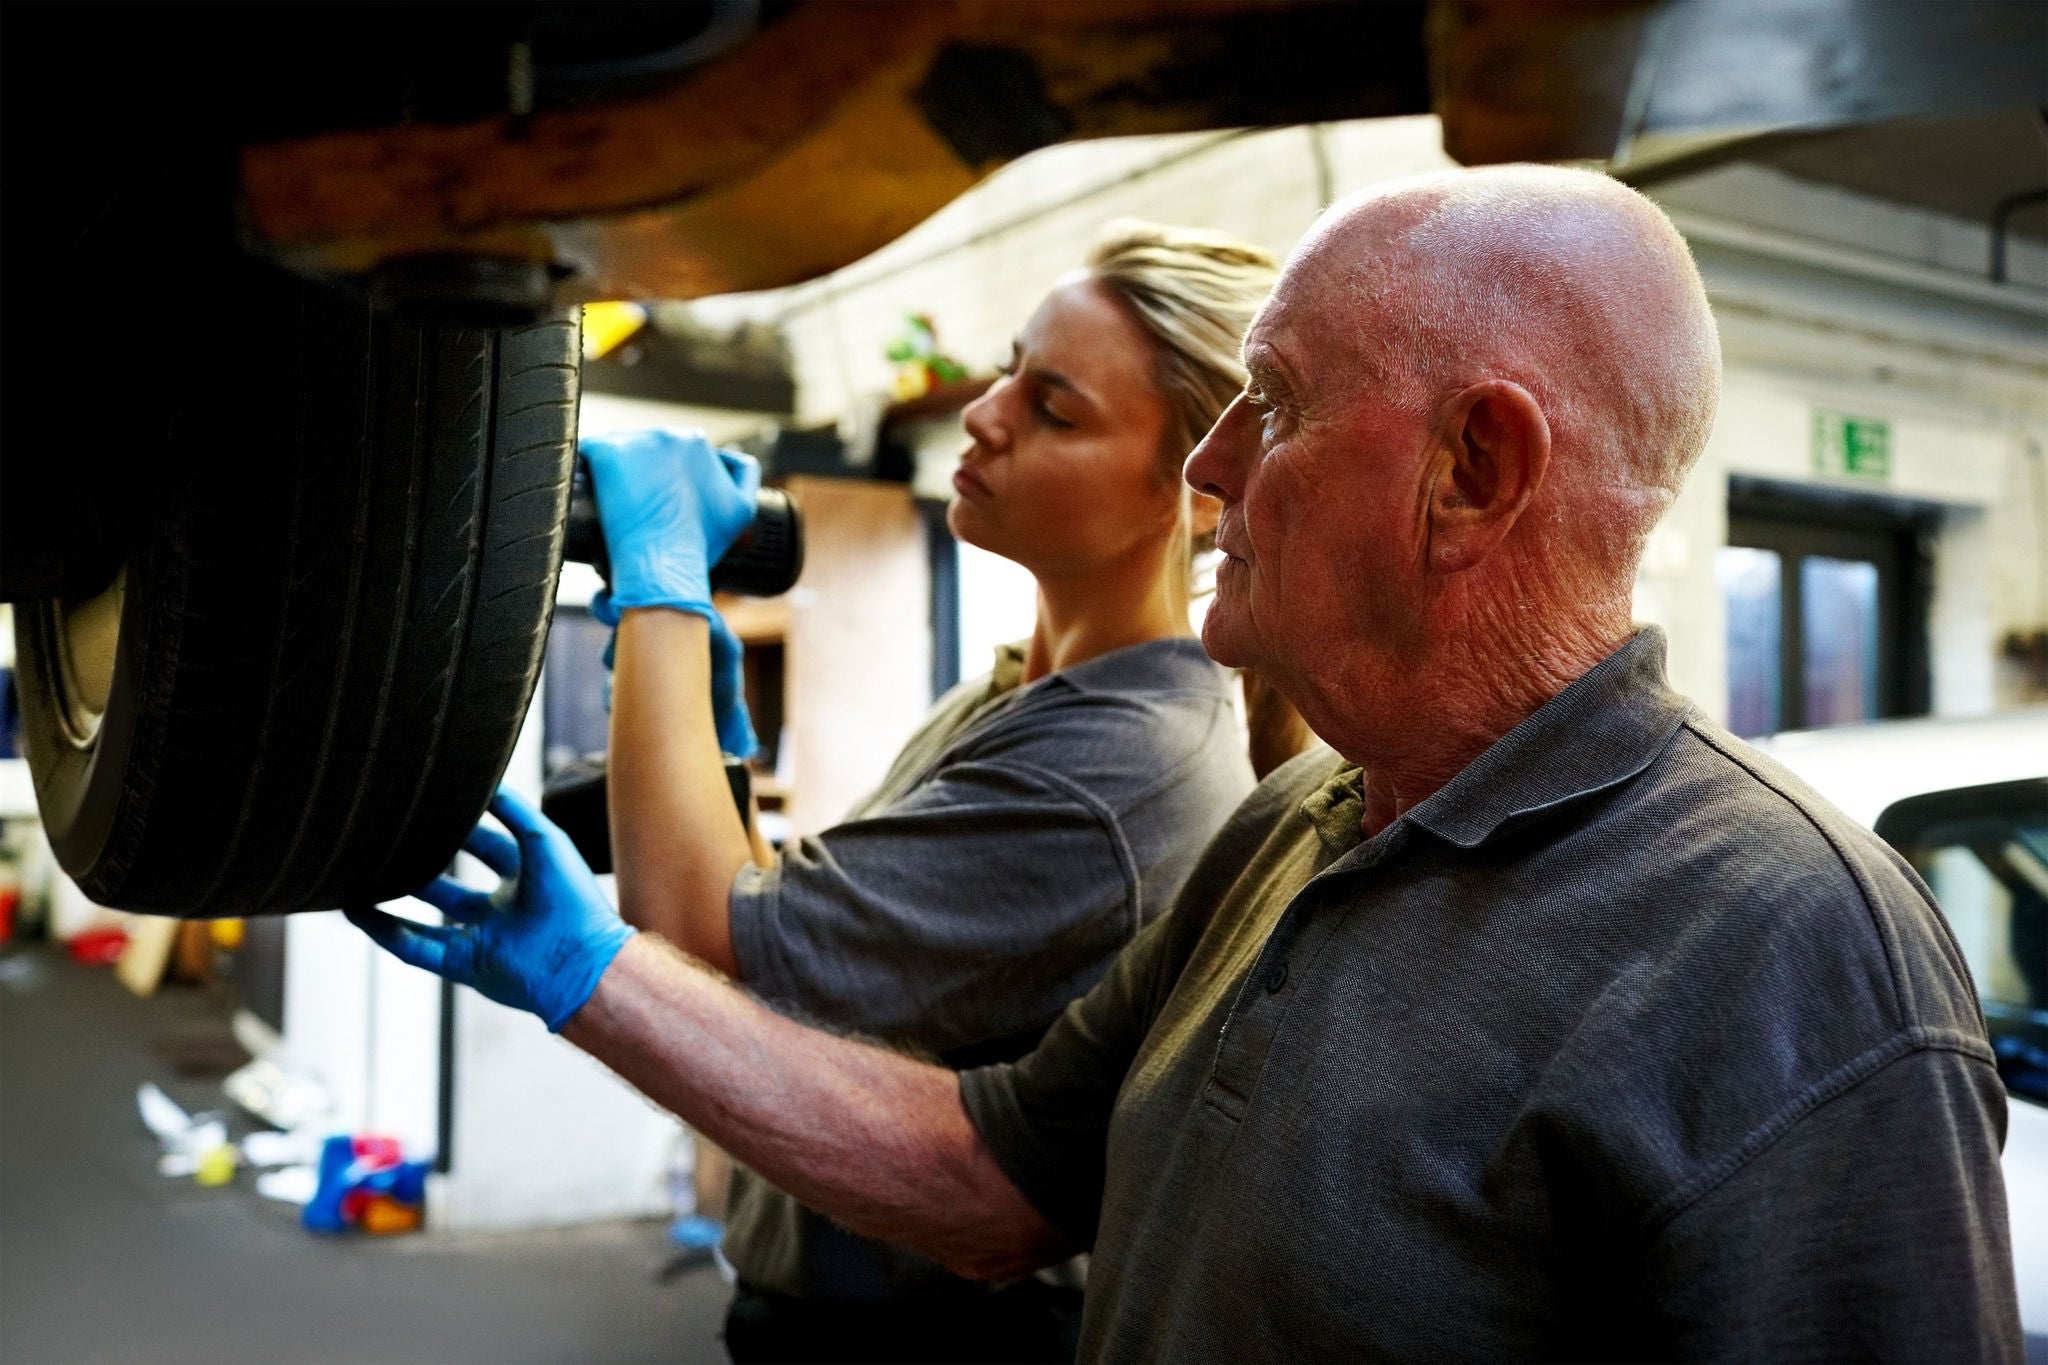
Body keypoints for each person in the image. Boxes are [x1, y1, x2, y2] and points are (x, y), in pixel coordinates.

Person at [353, 165, 2023, 1361]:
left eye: (1274, 410)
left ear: (1476, 467)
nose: (1215, 467)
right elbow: (986, 1175)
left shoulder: (1799, 960)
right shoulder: (1303, 823)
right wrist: (583, 971)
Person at [581, 224, 1282, 1361]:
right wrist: (714, 752)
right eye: (1009, 368)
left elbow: (705, 947)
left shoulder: (1119, 764)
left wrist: (659, 581)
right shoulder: (1017, 692)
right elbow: (805, 948)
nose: (985, 413)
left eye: (1053, 410)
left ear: (1200, 494)